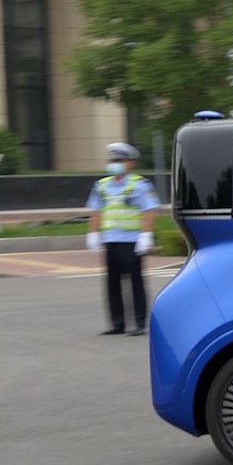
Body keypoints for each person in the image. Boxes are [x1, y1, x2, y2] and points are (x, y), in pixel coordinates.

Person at [85, 142, 159, 336]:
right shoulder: (101, 185)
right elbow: (96, 211)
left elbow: (149, 210)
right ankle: (118, 324)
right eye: (112, 160)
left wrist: (146, 235)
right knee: (112, 283)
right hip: (111, 240)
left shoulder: (140, 185)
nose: (114, 164)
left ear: (131, 163)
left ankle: (140, 323)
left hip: (132, 241)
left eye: (119, 160)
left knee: (135, 282)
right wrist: (93, 233)